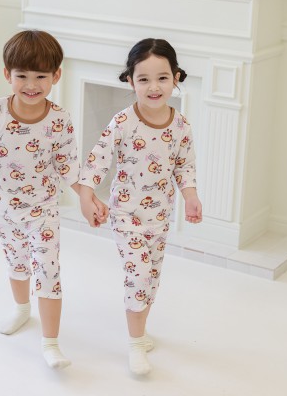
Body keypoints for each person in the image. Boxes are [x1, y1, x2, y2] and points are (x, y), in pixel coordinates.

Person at [0, 30, 107, 369]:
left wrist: (88, 197)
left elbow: (68, 167)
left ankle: (51, 343)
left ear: (56, 76)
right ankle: (21, 309)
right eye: (22, 76)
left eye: (41, 77)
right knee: (16, 264)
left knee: (48, 271)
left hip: (43, 212)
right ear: (7, 75)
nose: (31, 85)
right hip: (4, 209)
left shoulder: (59, 119)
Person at [79, 38, 202, 376]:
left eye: (162, 77)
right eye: (143, 79)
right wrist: (87, 194)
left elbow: (185, 167)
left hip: (160, 217)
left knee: (152, 279)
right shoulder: (123, 122)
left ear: (176, 78)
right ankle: (135, 345)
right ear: (130, 81)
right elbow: (98, 159)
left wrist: (191, 196)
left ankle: (140, 332)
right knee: (139, 275)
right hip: (125, 215)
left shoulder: (181, 126)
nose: (153, 87)